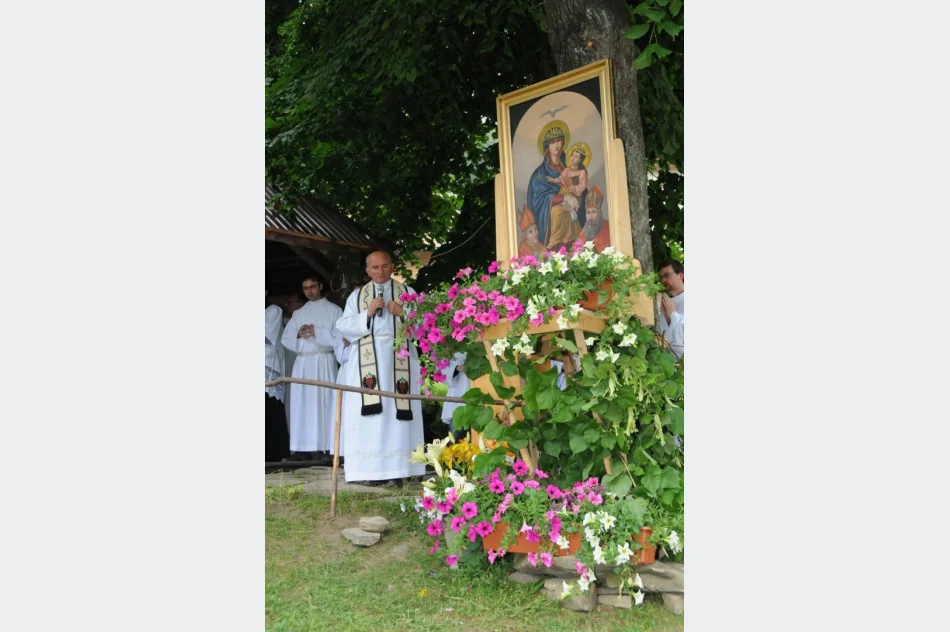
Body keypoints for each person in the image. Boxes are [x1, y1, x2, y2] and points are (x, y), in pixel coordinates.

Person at [335, 251, 426, 486]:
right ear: (367, 271)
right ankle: (369, 472)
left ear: (392, 267)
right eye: (375, 267)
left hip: (400, 358)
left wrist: (402, 313)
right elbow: (343, 326)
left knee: (397, 416)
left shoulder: (407, 292)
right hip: (366, 361)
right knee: (371, 418)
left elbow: (424, 327)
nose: (380, 271)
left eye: (385, 266)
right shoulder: (357, 297)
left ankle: (400, 470)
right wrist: (367, 313)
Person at [281, 275, 343, 463]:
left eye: (313, 286)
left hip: (324, 362)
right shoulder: (299, 313)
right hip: (303, 364)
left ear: (320, 286)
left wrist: (319, 332)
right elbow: (286, 338)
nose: (309, 291)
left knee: (326, 404)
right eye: (306, 288)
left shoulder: (334, 310)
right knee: (303, 406)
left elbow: (341, 338)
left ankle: (327, 448)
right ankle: (303, 449)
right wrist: (298, 335)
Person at [526, 123, 583, 250]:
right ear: (547, 145)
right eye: (552, 142)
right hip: (553, 220)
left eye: (558, 141)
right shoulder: (540, 174)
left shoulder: (570, 167)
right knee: (556, 211)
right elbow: (538, 199)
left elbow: (579, 188)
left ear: (563, 142)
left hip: (572, 211)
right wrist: (564, 199)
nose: (556, 145)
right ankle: (555, 243)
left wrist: (573, 199)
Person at [265, 290, 290, 462]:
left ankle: (272, 453)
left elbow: (267, 337)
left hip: (268, 367)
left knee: (269, 409)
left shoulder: (273, 310)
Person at [657, 260, 685, 360]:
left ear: (680, 275)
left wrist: (673, 314)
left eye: (667, 275)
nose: (663, 280)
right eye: (661, 277)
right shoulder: (664, 303)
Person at [582, 185, 610, 253]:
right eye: (588, 213)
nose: (590, 217)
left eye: (593, 212)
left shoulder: (608, 227)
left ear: (599, 213)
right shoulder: (585, 230)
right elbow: (575, 250)